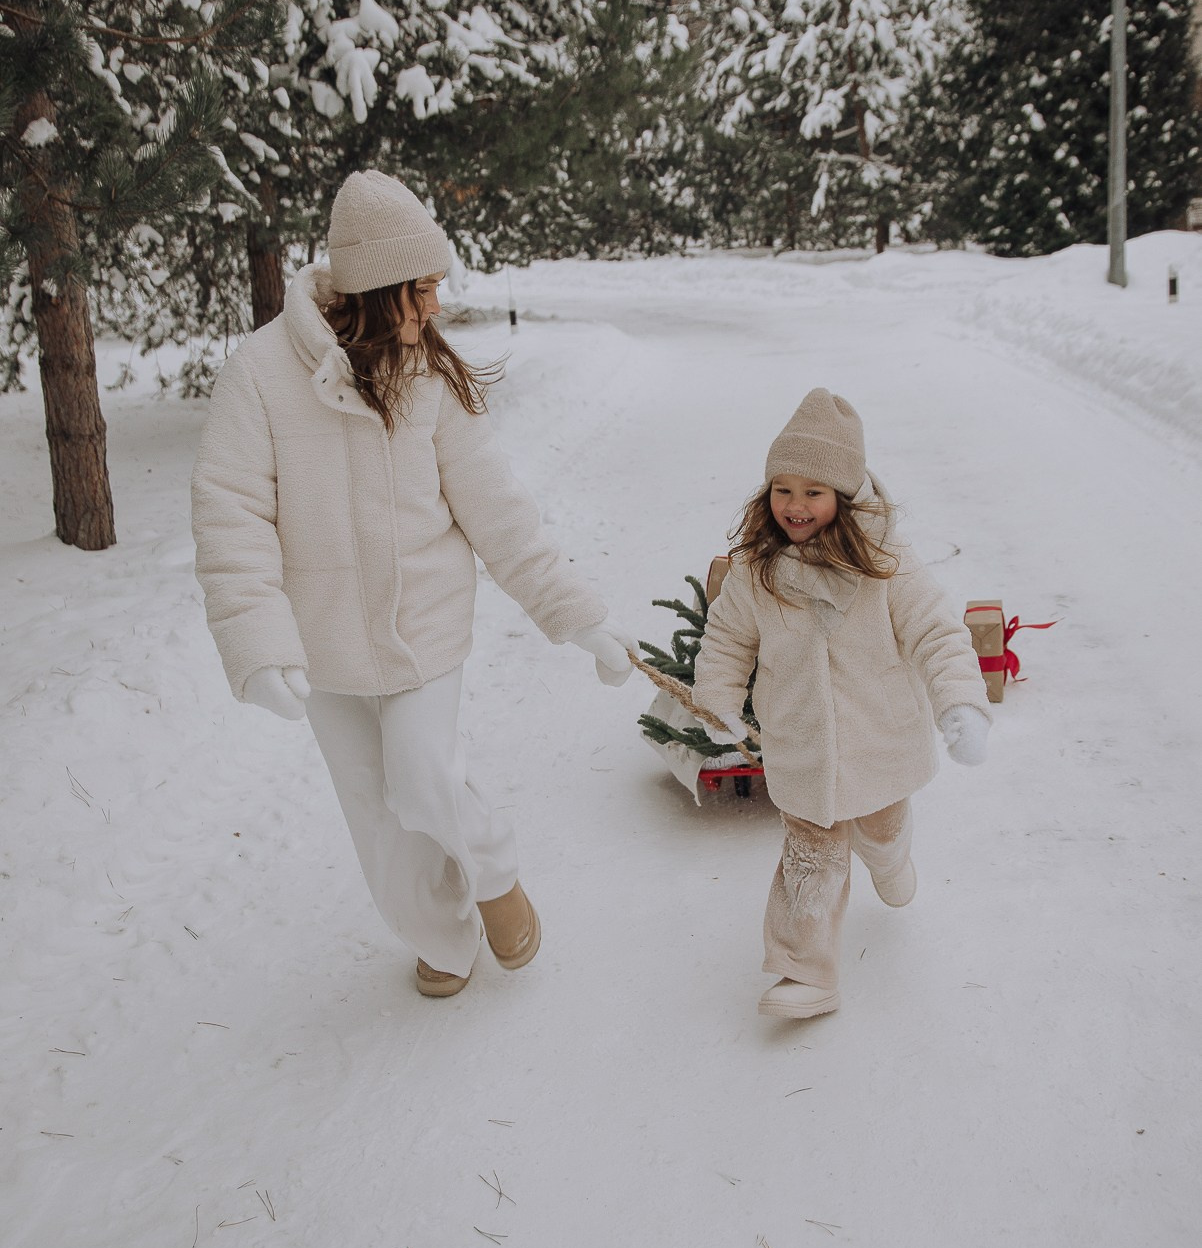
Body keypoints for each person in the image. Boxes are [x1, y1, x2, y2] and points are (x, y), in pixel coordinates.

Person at [191, 169, 633, 997]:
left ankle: (493, 874)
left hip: (422, 625)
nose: (434, 306)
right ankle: (441, 934)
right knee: (376, 814)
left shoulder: (427, 374)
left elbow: (498, 511)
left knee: (423, 775)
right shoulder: (258, 374)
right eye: (422, 289)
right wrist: (258, 642)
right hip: (325, 642)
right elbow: (231, 515)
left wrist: (578, 617)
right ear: (377, 285)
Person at [693, 388, 991, 1021]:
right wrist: (717, 698)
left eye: (813, 491)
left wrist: (960, 704)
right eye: (782, 489)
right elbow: (727, 638)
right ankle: (806, 971)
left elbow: (937, 634)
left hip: (880, 741)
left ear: (845, 496)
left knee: (879, 831)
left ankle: (893, 857)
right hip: (800, 743)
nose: (794, 506)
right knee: (810, 856)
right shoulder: (755, 570)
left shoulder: (887, 565)